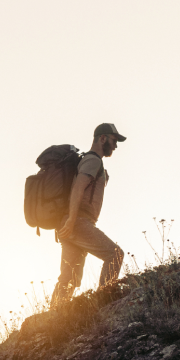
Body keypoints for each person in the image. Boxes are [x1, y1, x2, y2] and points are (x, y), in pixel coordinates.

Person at [51, 123, 127, 308]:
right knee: (114, 254)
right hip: (77, 221)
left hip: (71, 221)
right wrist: (71, 219)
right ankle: (104, 303)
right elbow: (78, 188)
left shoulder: (89, 160)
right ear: (102, 138)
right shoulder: (93, 160)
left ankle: (52, 317)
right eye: (113, 140)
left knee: (69, 277)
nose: (115, 146)